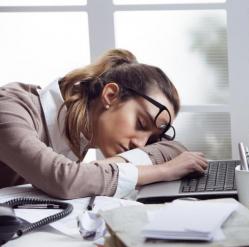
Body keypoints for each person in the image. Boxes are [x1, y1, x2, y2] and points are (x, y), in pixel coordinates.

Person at [0, 49, 208, 199]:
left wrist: (94, 171)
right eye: (141, 123)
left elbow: (175, 149)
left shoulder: (76, 133)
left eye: (152, 138)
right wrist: (163, 171)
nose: (142, 144)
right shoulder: (10, 109)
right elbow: (63, 180)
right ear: (110, 95)